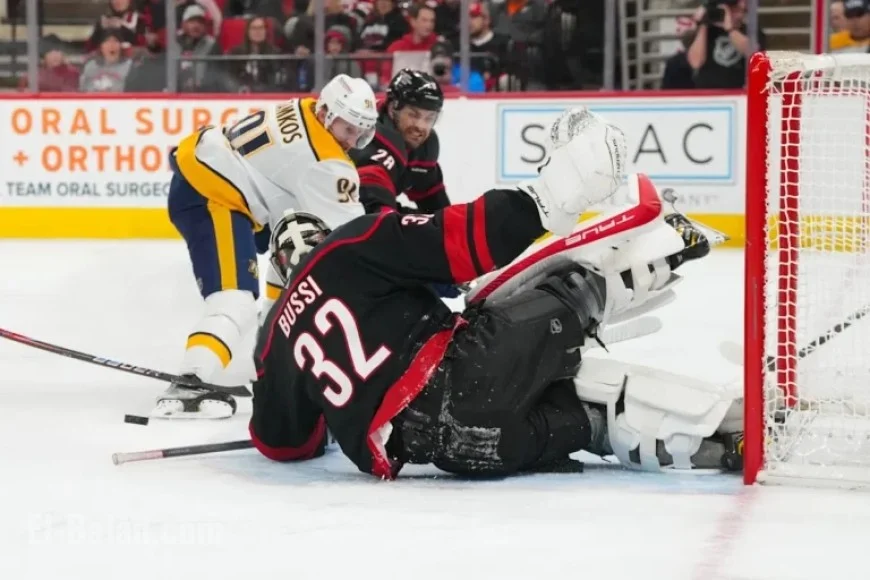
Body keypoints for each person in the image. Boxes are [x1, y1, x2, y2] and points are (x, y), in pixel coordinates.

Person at [247, 107, 746, 479]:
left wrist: (336, 417)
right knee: (552, 294)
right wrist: (542, 202)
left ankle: (722, 448)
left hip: (448, 449)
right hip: (465, 372)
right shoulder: (344, 247)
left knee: (590, 419)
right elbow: (457, 241)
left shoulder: (273, 339)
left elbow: (285, 443)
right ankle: (668, 250)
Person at [153, 74, 379, 420]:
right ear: (326, 114)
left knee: (293, 248)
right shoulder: (327, 161)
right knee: (236, 299)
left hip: (212, 176)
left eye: (358, 131)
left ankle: (269, 351)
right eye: (347, 128)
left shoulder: (305, 107)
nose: (351, 140)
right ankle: (190, 381)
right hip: (214, 196)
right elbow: (355, 236)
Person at [350, 69, 451, 216]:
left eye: (429, 118)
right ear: (392, 109)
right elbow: (375, 219)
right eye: (413, 115)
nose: (420, 126)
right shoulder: (365, 139)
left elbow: (437, 207)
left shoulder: (424, 147)